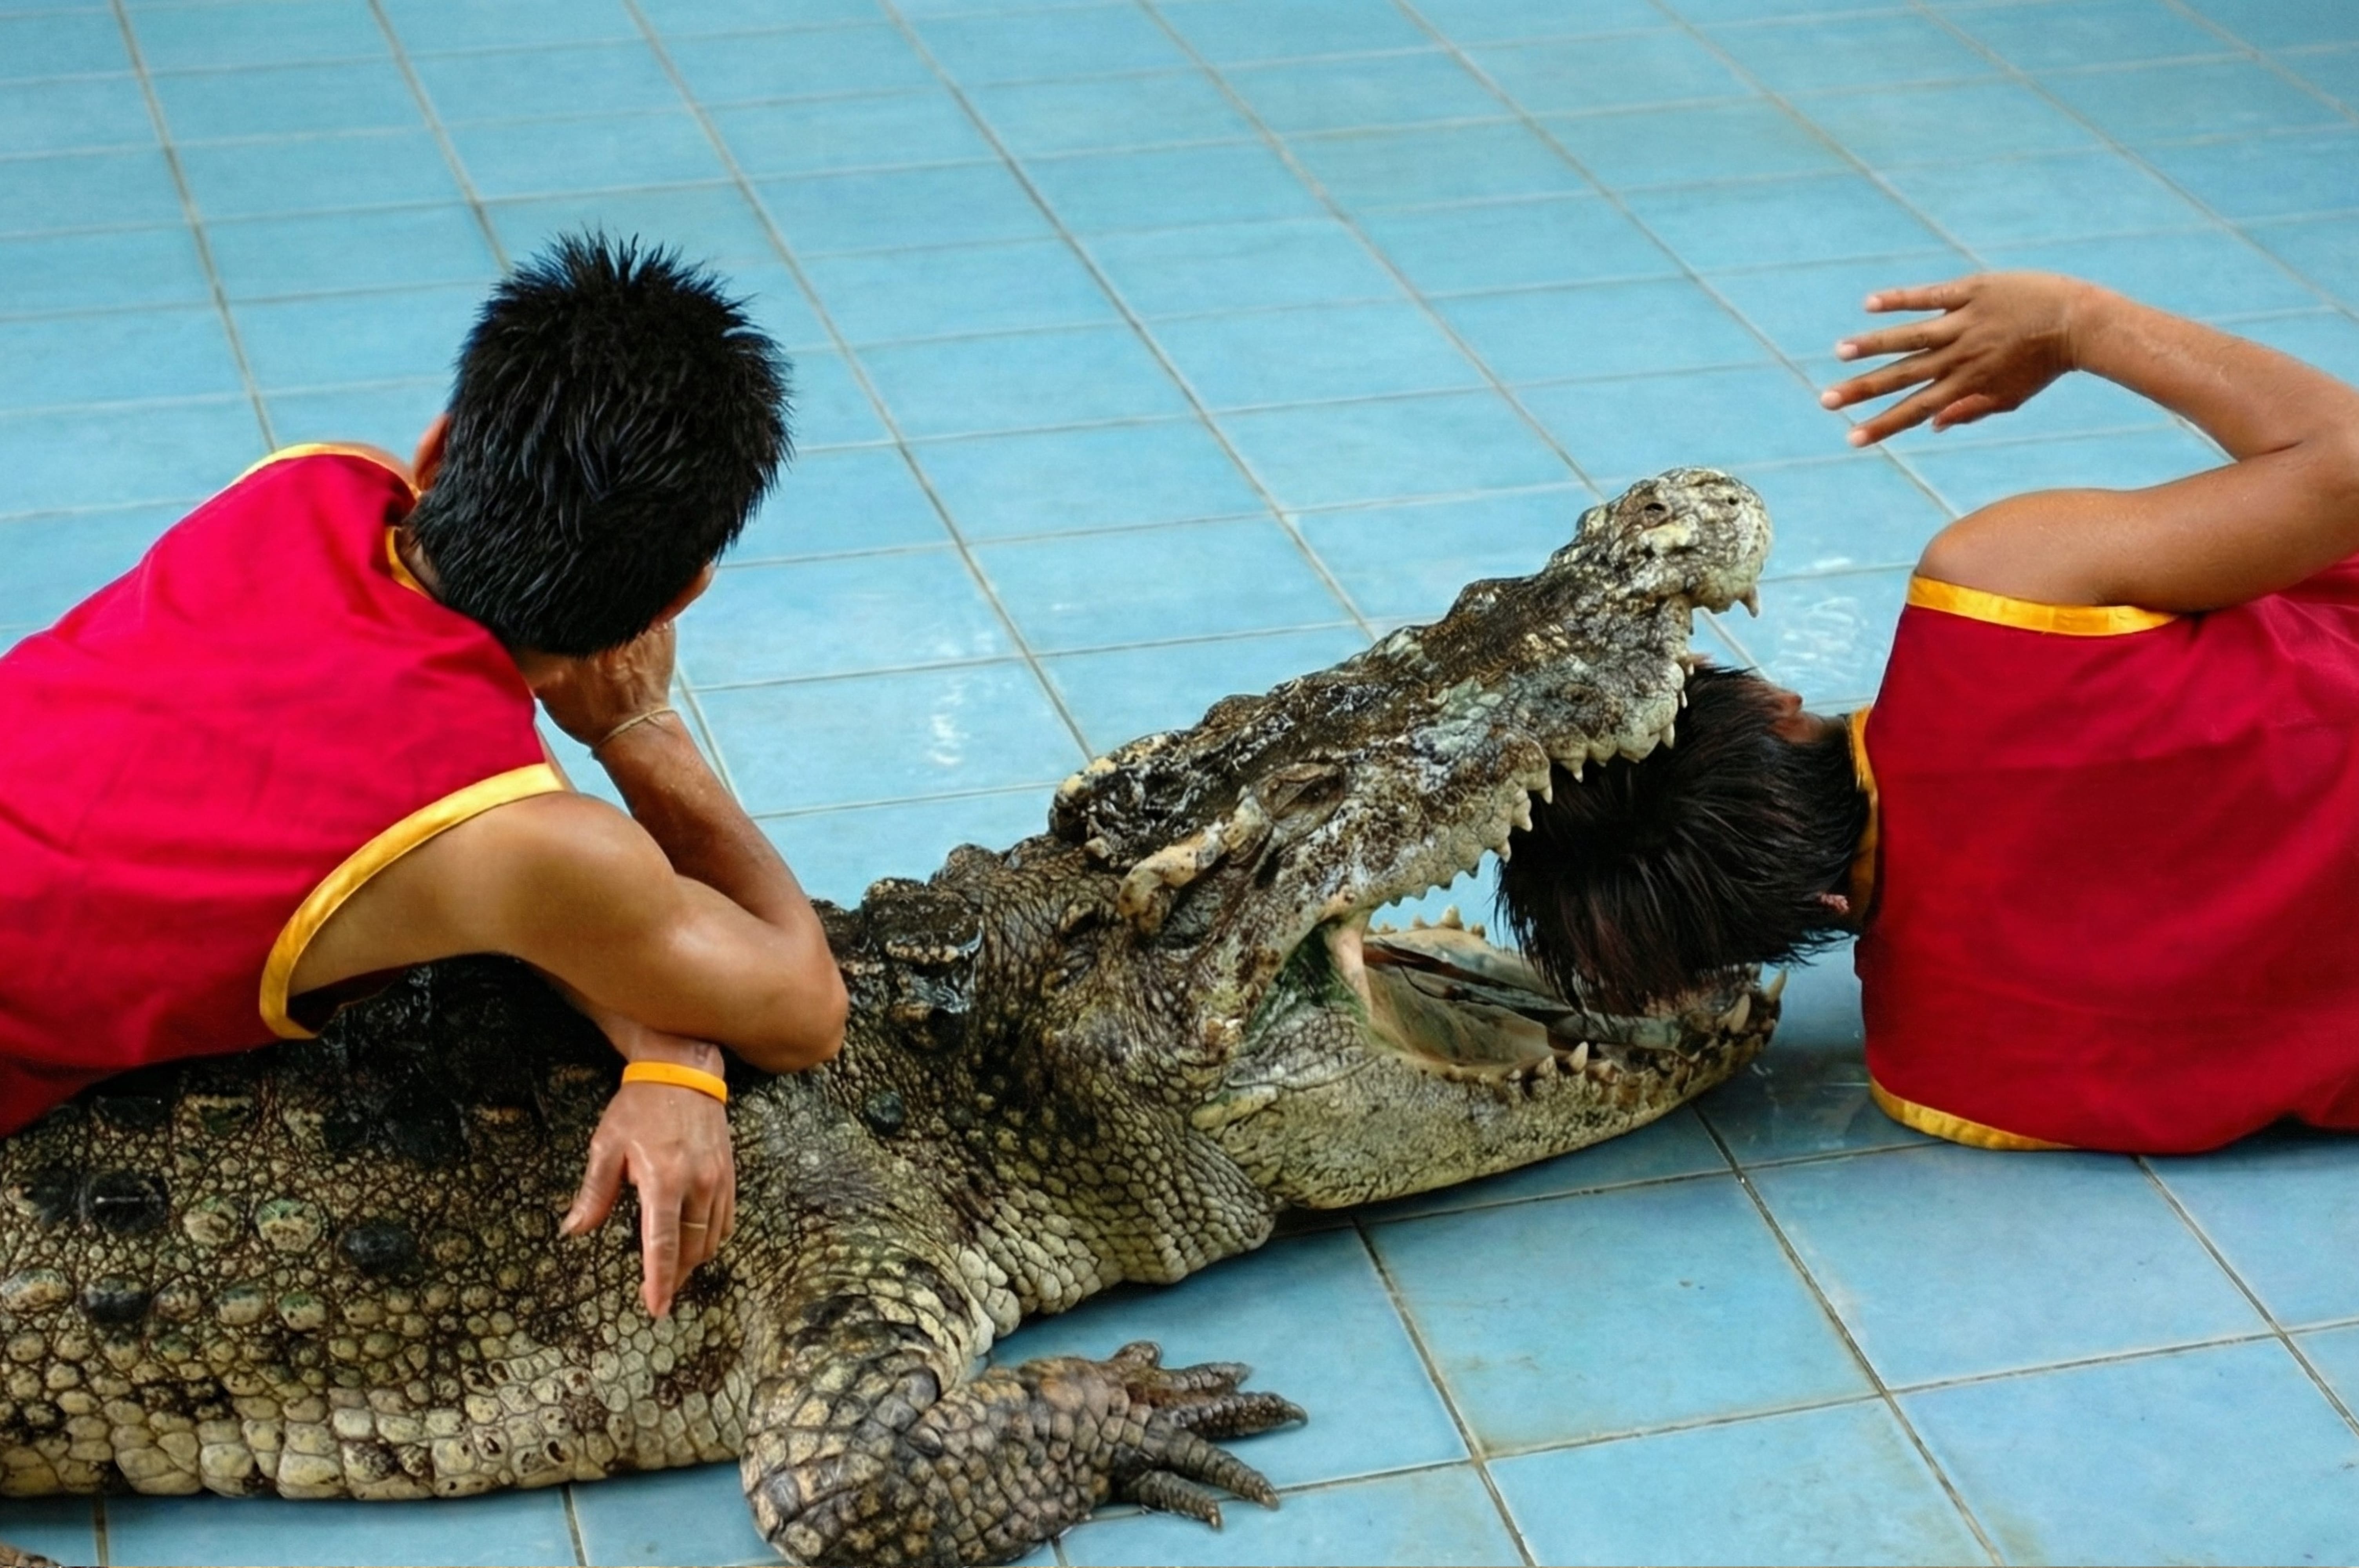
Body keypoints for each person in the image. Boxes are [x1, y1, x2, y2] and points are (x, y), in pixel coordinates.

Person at [0, 234, 847, 1315]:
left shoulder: (308, 483)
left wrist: (666, 1047)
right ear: (681, 594)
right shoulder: (516, 844)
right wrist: (640, 727)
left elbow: (486, 819)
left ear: (438, 449)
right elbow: (805, 1006)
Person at [1501, 269, 2359, 1155]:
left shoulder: (1949, 1081)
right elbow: (2346, 461)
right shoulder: (2004, 595)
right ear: (1776, 709)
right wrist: (2079, 325)